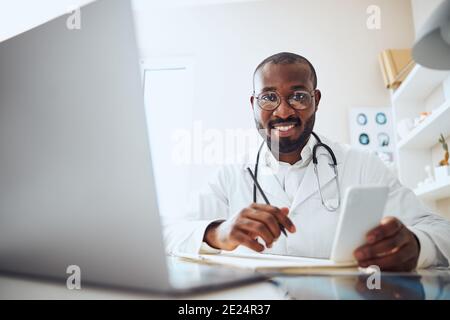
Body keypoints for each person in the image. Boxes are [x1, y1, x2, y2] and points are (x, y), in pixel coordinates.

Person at [163, 52, 450, 271]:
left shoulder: (362, 165)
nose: (283, 111)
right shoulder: (230, 176)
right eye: (269, 98)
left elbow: (441, 232)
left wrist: (416, 245)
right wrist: (217, 233)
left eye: (298, 96)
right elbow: (167, 234)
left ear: (316, 100)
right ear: (253, 104)